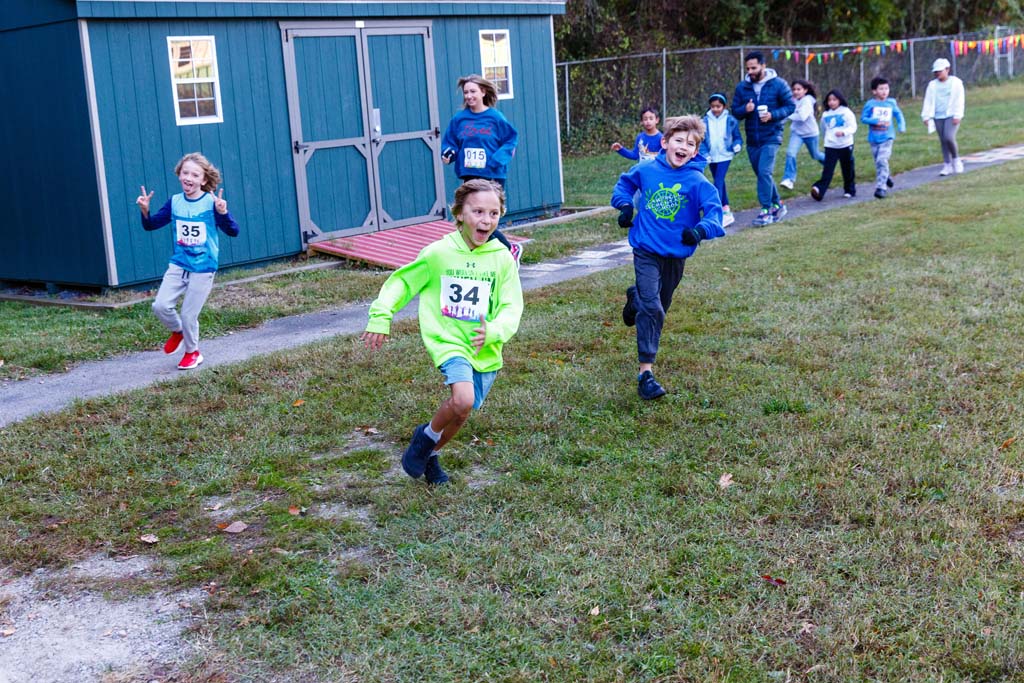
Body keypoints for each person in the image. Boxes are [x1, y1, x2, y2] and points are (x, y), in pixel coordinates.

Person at [362, 179, 523, 485]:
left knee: (462, 413)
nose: (486, 220)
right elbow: (402, 282)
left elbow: (512, 306)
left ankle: (428, 450)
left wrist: (495, 331)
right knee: (462, 400)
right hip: (447, 341)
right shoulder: (438, 253)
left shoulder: (502, 258)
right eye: (477, 211)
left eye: (493, 213)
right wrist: (381, 316)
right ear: (460, 213)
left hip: (484, 347)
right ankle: (427, 439)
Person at [611, 115, 725, 400]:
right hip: (646, 249)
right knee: (654, 310)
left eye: (690, 143)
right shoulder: (647, 170)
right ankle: (645, 373)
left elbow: (715, 213)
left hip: (675, 256)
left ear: (695, 151)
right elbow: (625, 185)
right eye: (678, 140)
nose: (683, 146)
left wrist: (700, 231)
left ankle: (635, 298)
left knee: (658, 304)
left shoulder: (697, 181)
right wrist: (625, 206)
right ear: (664, 143)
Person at [137, 153, 240, 370]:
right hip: (179, 263)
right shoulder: (175, 202)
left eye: (195, 174)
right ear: (179, 175)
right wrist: (145, 211)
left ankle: (193, 352)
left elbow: (233, 231)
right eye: (185, 173)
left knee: (188, 314)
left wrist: (224, 212)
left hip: (203, 267)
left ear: (203, 180)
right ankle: (178, 331)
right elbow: (151, 225)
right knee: (160, 306)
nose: (188, 178)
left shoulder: (211, 203)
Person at [441, 74, 519, 258]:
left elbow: (510, 140)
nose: (469, 96)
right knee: (469, 217)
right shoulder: (459, 119)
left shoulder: (495, 118)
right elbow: (450, 142)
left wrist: (497, 159)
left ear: (483, 92)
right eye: (466, 92)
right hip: (469, 175)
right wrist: (448, 153)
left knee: (485, 219)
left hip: (492, 176)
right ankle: (485, 253)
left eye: (473, 91)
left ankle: (509, 249)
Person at [731, 51, 796, 227]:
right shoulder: (742, 87)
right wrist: (746, 108)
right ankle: (779, 205)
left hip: (772, 136)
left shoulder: (778, 84)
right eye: (748, 68)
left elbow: (790, 106)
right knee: (762, 174)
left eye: (754, 67)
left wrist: (773, 115)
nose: (750, 71)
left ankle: (765, 211)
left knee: (765, 172)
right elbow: (734, 111)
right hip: (753, 139)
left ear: (763, 66)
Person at [699, 93, 743, 228]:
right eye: (713, 106)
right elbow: (701, 141)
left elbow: (737, 137)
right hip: (711, 157)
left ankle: (715, 213)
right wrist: (705, 154)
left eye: (718, 106)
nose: (716, 109)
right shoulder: (704, 121)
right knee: (720, 182)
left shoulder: (730, 120)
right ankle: (725, 209)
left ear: (724, 106)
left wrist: (737, 145)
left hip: (725, 155)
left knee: (717, 182)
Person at [861, 76, 906, 199]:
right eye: (881, 89)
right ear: (874, 91)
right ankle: (886, 177)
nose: (884, 91)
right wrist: (874, 121)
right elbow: (863, 118)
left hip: (887, 137)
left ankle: (881, 188)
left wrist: (901, 126)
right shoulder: (870, 104)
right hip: (874, 138)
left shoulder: (891, 103)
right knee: (879, 162)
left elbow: (898, 114)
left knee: (882, 160)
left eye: (886, 88)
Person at [810, 89, 858, 201]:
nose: (831, 102)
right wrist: (827, 139)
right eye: (829, 100)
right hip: (831, 146)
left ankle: (849, 190)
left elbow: (853, 127)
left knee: (847, 168)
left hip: (845, 145)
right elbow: (823, 129)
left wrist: (844, 132)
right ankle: (819, 191)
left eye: (834, 100)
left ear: (840, 100)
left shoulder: (846, 112)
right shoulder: (826, 114)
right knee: (828, 169)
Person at [921, 58, 966, 176]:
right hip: (938, 115)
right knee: (943, 140)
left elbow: (959, 100)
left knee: (948, 137)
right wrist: (926, 116)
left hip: (951, 114)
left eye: (940, 71)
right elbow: (928, 101)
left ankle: (956, 159)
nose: (937, 74)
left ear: (947, 70)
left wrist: (958, 114)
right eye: (936, 72)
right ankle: (947, 164)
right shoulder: (932, 85)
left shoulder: (956, 83)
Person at [779, 79, 825, 190]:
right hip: (797, 133)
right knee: (790, 153)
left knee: (815, 155)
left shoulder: (807, 101)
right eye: (794, 89)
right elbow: (785, 112)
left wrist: (787, 115)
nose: (796, 92)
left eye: (799, 89)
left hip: (810, 133)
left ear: (805, 90)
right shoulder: (792, 100)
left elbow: (802, 117)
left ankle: (830, 163)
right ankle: (789, 179)